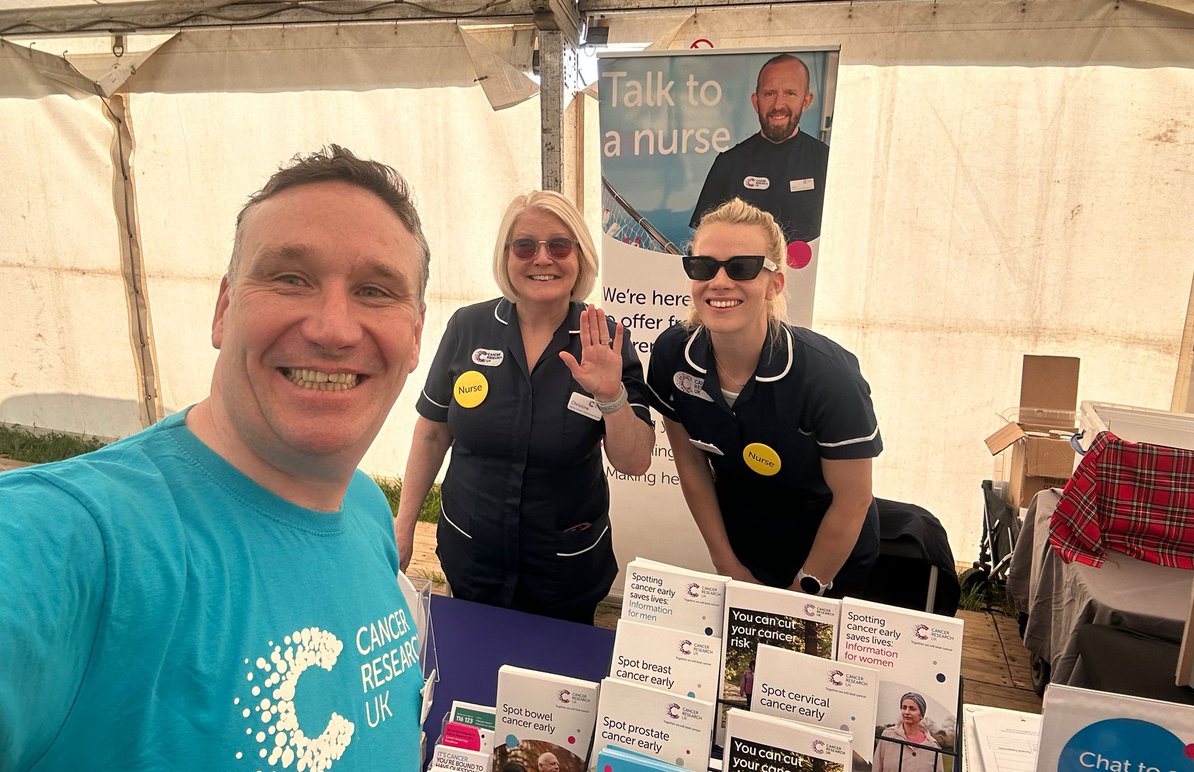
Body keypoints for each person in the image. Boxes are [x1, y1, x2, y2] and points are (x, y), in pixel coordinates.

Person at [0, 145, 430, 771]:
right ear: (224, 308)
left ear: (416, 334)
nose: (334, 328)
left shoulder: (365, 508)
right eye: (290, 278)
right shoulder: (79, 541)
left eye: (374, 290)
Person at [394, 190, 654, 623]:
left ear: (580, 257)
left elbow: (635, 461)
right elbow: (433, 431)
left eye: (559, 245)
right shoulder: (468, 327)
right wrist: (404, 523)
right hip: (472, 556)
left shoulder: (604, 338)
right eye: (525, 245)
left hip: (564, 571)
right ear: (507, 257)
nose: (542, 258)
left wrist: (611, 397)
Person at [647, 198, 881, 597]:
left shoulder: (829, 376)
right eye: (704, 266)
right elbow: (693, 470)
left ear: (776, 283)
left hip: (831, 564)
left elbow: (853, 500)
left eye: (742, 267)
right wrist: (728, 566)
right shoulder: (673, 356)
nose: (720, 282)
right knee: (743, 662)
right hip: (746, 553)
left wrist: (805, 589)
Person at [689, 54, 828, 264]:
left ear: (806, 100)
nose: (778, 104)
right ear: (756, 101)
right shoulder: (729, 163)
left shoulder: (827, 162)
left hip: (810, 289)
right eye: (769, 93)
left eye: (790, 93)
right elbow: (702, 243)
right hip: (744, 287)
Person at [872, 692, 939, 772]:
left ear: (921, 715)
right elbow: (877, 767)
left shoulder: (933, 747)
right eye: (904, 708)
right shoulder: (888, 735)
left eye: (912, 709)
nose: (906, 712)